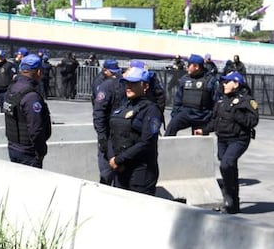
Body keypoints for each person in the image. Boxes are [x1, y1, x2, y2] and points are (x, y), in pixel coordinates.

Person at [206, 71, 259, 214]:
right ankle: (232, 203)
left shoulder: (246, 101)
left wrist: (237, 114)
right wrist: (204, 130)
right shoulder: (221, 100)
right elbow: (215, 120)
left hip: (238, 139)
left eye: (227, 81)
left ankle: (229, 198)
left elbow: (253, 121)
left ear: (236, 84)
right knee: (227, 168)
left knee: (227, 164)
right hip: (223, 139)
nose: (224, 84)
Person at [107, 66, 162, 195]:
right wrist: (113, 159)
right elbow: (113, 134)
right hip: (120, 169)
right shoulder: (123, 107)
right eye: (127, 83)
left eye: (134, 83)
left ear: (145, 86)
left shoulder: (151, 110)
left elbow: (146, 142)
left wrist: (119, 160)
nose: (128, 86)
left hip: (140, 172)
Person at [3, 54, 52, 167]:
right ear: (38, 72)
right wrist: (41, 151)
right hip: (28, 152)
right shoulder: (31, 96)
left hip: (13, 147)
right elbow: (35, 129)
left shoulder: (11, 89)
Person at [166, 54, 217, 136]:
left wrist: (210, 119)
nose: (187, 67)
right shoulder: (185, 79)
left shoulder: (210, 81)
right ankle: (164, 148)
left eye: (189, 65)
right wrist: (175, 115)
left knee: (198, 143)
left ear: (196, 67)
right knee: (172, 126)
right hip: (185, 114)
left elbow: (216, 102)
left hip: (202, 116)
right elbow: (178, 100)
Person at [92, 59, 124, 185]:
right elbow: (99, 112)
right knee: (106, 170)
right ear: (105, 71)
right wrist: (101, 135)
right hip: (107, 132)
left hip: (118, 131)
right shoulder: (102, 84)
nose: (116, 75)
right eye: (113, 72)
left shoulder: (119, 82)